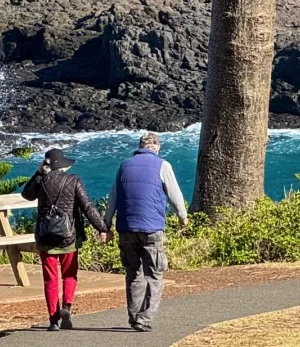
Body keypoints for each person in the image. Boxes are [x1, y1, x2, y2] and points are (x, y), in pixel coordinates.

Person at [104, 131, 187, 332]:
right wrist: (182, 216)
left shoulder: (124, 165)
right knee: (155, 273)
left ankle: (134, 317)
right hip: (151, 228)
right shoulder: (163, 165)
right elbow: (174, 194)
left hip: (126, 227)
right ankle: (144, 318)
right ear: (157, 147)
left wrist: (106, 225)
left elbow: (113, 197)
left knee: (133, 272)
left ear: (140, 147)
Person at [21, 147, 108, 331]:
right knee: (69, 274)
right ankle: (66, 307)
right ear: (63, 165)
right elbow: (88, 207)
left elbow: (26, 194)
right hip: (69, 236)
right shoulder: (73, 180)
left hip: (46, 237)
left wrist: (38, 172)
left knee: (50, 279)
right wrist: (102, 228)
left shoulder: (41, 180)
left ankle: (53, 321)